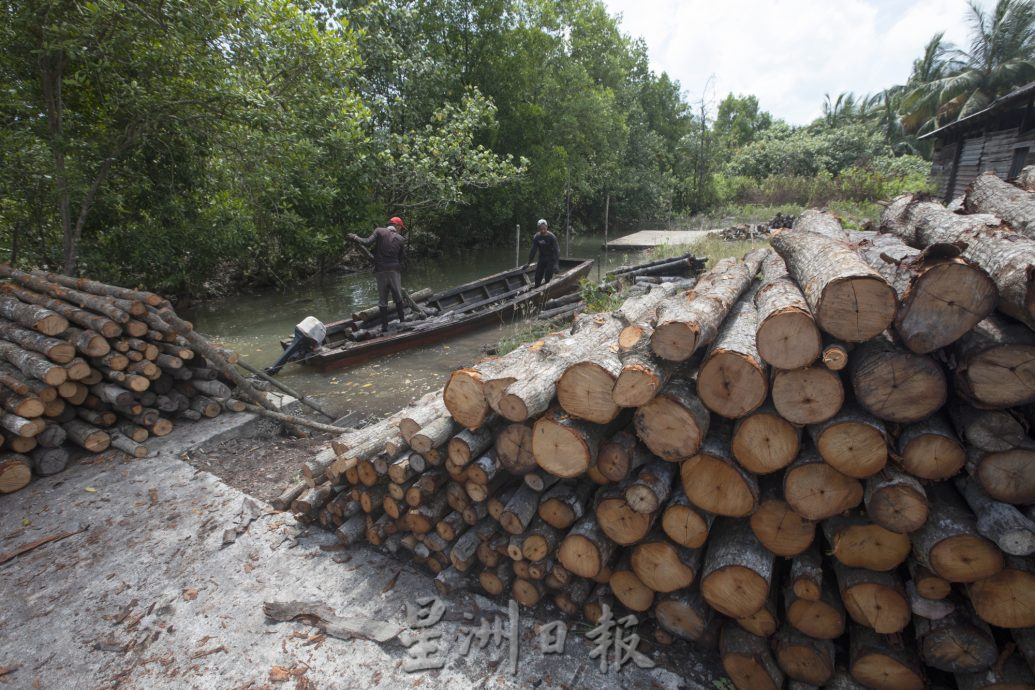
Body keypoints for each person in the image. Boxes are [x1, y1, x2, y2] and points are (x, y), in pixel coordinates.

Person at [348, 216, 408, 333]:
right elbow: (401, 258)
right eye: (401, 227)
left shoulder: (379, 231)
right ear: (397, 226)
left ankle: (384, 327)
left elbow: (366, 242)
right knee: (398, 298)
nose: (401, 230)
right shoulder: (401, 239)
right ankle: (403, 322)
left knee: (382, 300)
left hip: (380, 271)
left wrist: (354, 237)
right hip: (394, 270)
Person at [525, 218, 560, 288]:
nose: (543, 231)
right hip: (542, 258)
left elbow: (557, 250)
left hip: (551, 259)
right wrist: (528, 263)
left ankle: (547, 289)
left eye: (544, 228)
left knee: (547, 276)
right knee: (537, 276)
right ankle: (536, 290)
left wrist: (556, 264)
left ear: (547, 227)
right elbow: (533, 251)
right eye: (541, 229)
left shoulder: (552, 237)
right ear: (538, 229)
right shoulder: (537, 237)